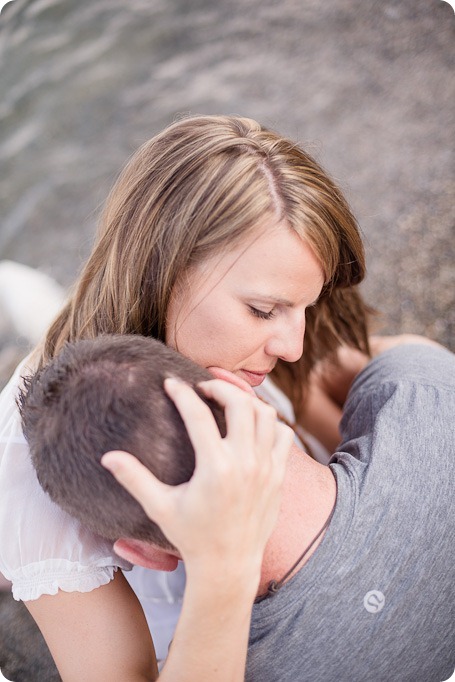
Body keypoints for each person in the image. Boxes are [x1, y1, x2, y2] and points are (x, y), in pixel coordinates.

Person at [0, 114, 371, 678]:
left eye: (306, 306)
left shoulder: (252, 326)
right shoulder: (32, 481)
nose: (293, 345)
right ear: (165, 273)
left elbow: (328, 419)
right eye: (264, 310)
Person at [19, 334, 455, 681]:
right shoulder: (420, 388)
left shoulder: (229, 668)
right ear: (240, 393)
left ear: (145, 554)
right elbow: (400, 352)